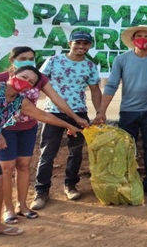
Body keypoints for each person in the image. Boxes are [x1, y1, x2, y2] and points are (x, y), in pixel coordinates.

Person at [0, 66, 80, 246]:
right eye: (23, 77)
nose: (25, 82)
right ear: (11, 75)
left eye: (30, 82)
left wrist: (68, 125)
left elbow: (43, 115)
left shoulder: (20, 102)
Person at [0, 47, 88, 224]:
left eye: (31, 58)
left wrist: (74, 118)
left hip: (28, 128)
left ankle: (22, 206)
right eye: (23, 58)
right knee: (6, 168)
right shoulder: (0, 79)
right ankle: (8, 209)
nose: (28, 61)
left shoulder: (38, 78)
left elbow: (56, 99)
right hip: (5, 131)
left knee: (24, 166)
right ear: (12, 60)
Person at [31, 31, 102, 210]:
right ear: (70, 42)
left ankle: (70, 185)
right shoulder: (53, 61)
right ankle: (41, 192)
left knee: (76, 152)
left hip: (79, 113)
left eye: (86, 43)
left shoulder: (90, 66)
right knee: (47, 153)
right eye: (78, 42)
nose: (81, 46)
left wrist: (100, 111)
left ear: (90, 46)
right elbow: (38, 84)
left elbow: (95, 90)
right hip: (52, 113)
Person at [95, 25, 147, 199]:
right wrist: (101, 111)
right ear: (133, 39)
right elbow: (111, 85)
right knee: (125, 149)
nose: (144, 39)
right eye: (140, 35)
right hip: (128, 111)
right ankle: (126, 182)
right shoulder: (121, 59)